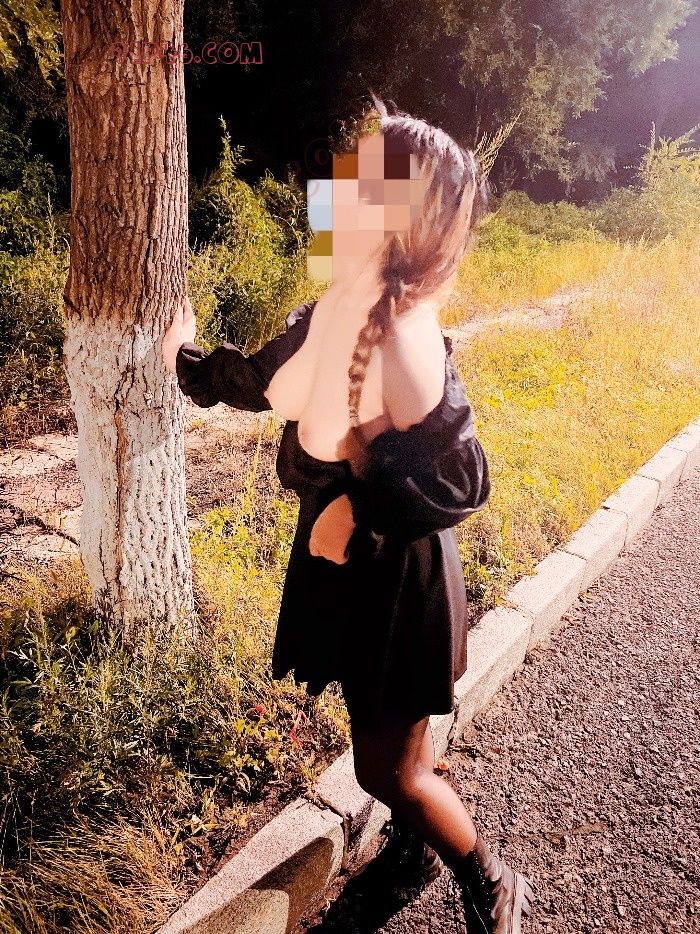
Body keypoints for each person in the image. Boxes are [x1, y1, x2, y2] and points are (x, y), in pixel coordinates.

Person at [161, 95, 535, 933]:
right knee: (386, 732)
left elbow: (465, 480)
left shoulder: (402, 333)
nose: (337, 186)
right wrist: (182, 357)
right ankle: (411, 848)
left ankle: (490, 878)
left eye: (363, 178)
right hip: (355, 560)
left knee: (386, 770)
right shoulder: (345, 300)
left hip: (396, 571)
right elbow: (265, 383)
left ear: (404, 215)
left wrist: (359, 510)